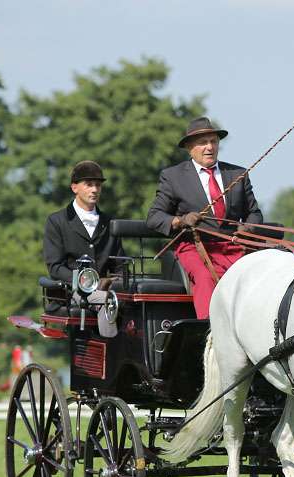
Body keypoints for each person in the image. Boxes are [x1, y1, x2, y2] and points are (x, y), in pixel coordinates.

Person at [146, 116, 263, 319]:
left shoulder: (237, 173)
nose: (209, 147)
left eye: (213, 142)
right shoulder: (173, 177)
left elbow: (254, 213)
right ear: (189, 147)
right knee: (205, 276)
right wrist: (181, 221)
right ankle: (211, 334)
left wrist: (249, 228)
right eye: (202, 143)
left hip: (234, 246)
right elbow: (155, 217)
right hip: (194, 247)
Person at [43, 161, 126, 336]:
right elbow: (55, 267)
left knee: (133, 302)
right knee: (109, 301)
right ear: (75, 188)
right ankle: (110, 355)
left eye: (97, 185)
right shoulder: (57, 221)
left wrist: (115, 282)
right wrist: (87, 283)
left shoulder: (110, 223)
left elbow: (120, 266)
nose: (94, 190)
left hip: (105, 290)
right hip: (70, 292)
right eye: (88, 185)